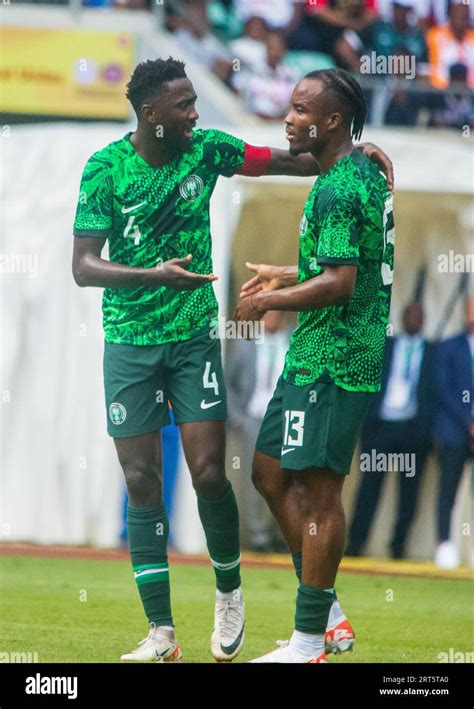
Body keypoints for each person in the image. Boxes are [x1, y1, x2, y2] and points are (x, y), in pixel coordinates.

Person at [72, 58, 393, 663]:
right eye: (185, 105)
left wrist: (356, 146)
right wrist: (152, 276)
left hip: (195, 338)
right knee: (143, 480)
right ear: (151, 115)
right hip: (129, 341)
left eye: (197, 101)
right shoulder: (104, 169)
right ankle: (161, 633)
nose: (196, 113)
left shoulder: (209, 149)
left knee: (211, 473)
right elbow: (83, 267)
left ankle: (230, 596)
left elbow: (296, 160)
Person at [235, 67, 394, 662]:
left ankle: (308, 643)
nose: (289, 117)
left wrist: (268, 299)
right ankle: (324, 612)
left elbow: (341, 283)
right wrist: (286, 274)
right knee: (269, 473)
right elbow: (339, 264)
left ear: (331, 122)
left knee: (319, 495)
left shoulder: (339, 185)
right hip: (312, 355)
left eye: (302, 109)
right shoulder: (355, 171)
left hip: (337, 358)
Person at [347, 302, 437, 559]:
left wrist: (425, 431)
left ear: (424, 320)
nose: (414, 320)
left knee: (409, 494)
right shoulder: (386, 347)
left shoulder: (433, 352)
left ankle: (398, 547)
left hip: (412, 430)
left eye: (418, 316)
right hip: (381, 428)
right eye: (409, 315)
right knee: (369, 489)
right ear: (402, 317)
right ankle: (356, 544)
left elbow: (435, 393)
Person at [226, 310, 293, 551]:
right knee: (253, 479)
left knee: (288, 479)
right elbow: (227, 385)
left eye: (276, 312)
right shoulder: (244, 344)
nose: (270, 318)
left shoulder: (295, 341)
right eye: (266, 313)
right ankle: (258, 537)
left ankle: (281, 532)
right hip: (253, 419)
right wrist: (237, 419)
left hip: (287, 420)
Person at [433, 297, 474, 569]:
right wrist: (468, 422)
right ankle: (444, 544)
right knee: (448, 488)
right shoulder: (450, 346)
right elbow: (443, 389)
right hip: (454, 431)